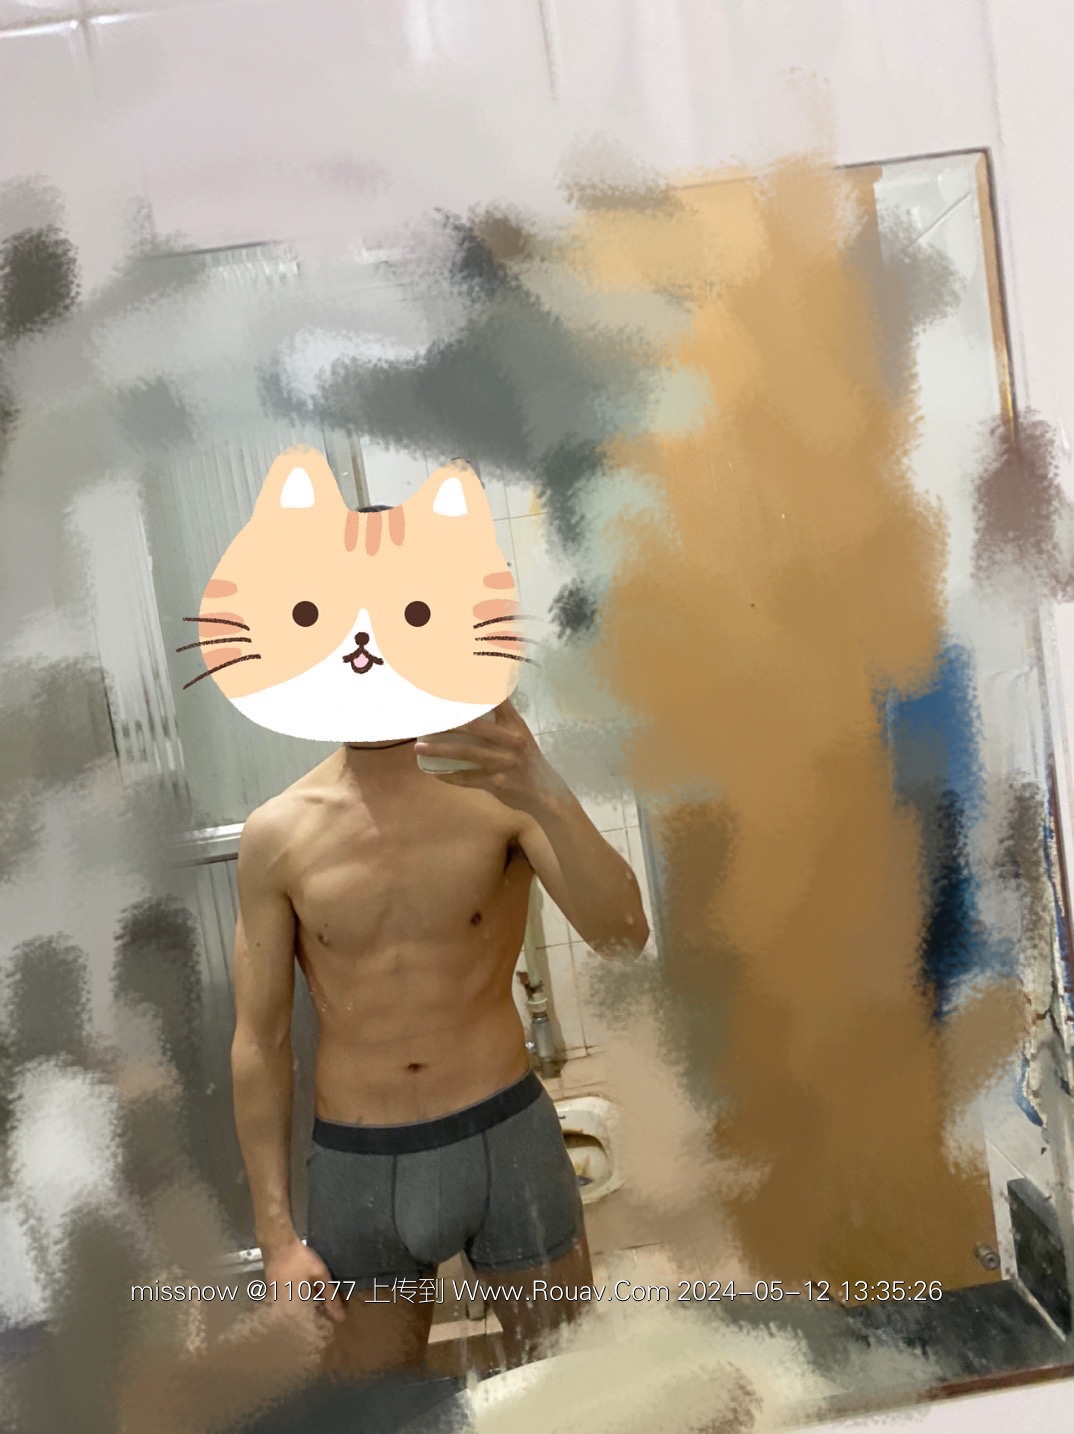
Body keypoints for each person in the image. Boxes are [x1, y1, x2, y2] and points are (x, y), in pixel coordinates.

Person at [229, 698, 648, 1377]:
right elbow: (260, 1042)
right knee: (376, 1410)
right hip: (359, 1167)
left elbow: (623, 937)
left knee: (574, 1385)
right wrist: (275, 1236)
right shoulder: (277, 833)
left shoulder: (499, 797)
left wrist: (544, 787)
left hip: (505, 1141)